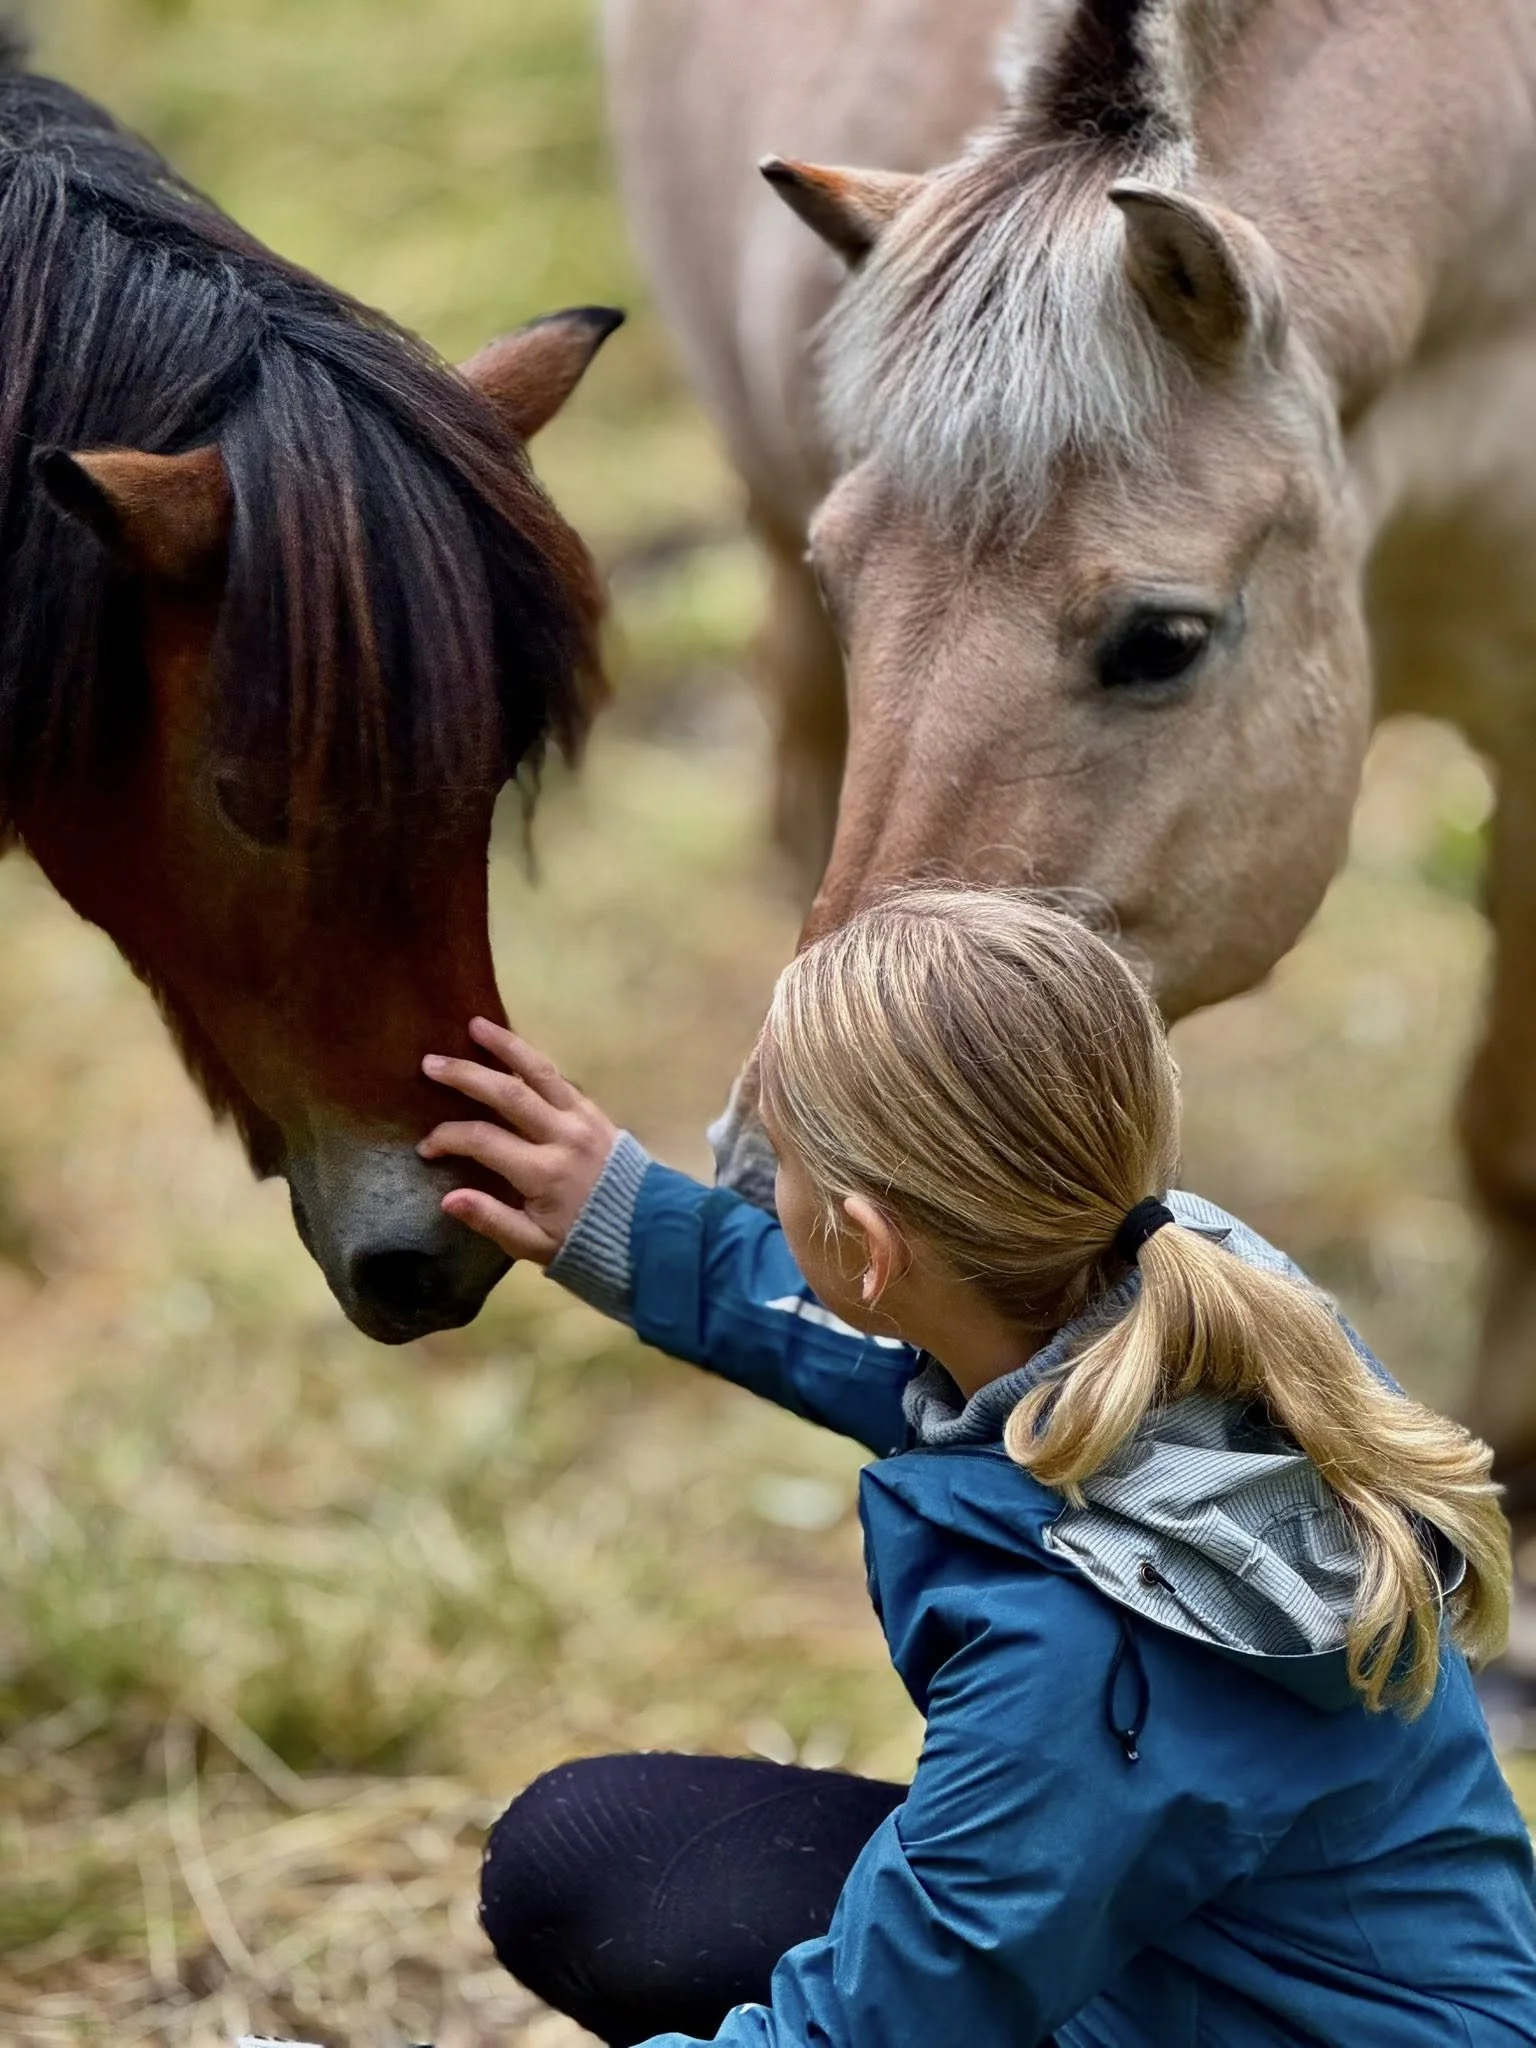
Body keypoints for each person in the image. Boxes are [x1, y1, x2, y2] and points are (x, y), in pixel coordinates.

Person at [418, 888, 1536, 2048]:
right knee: (594, 1856)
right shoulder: (1191, 1293)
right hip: (1224, 1960)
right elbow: (881, 1346)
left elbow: (868, 2035)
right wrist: (630, 1216)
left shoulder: (1086, 1651)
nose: (769, 1181)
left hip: (1265, 2015)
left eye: (782, 1163)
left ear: (871, 1247)